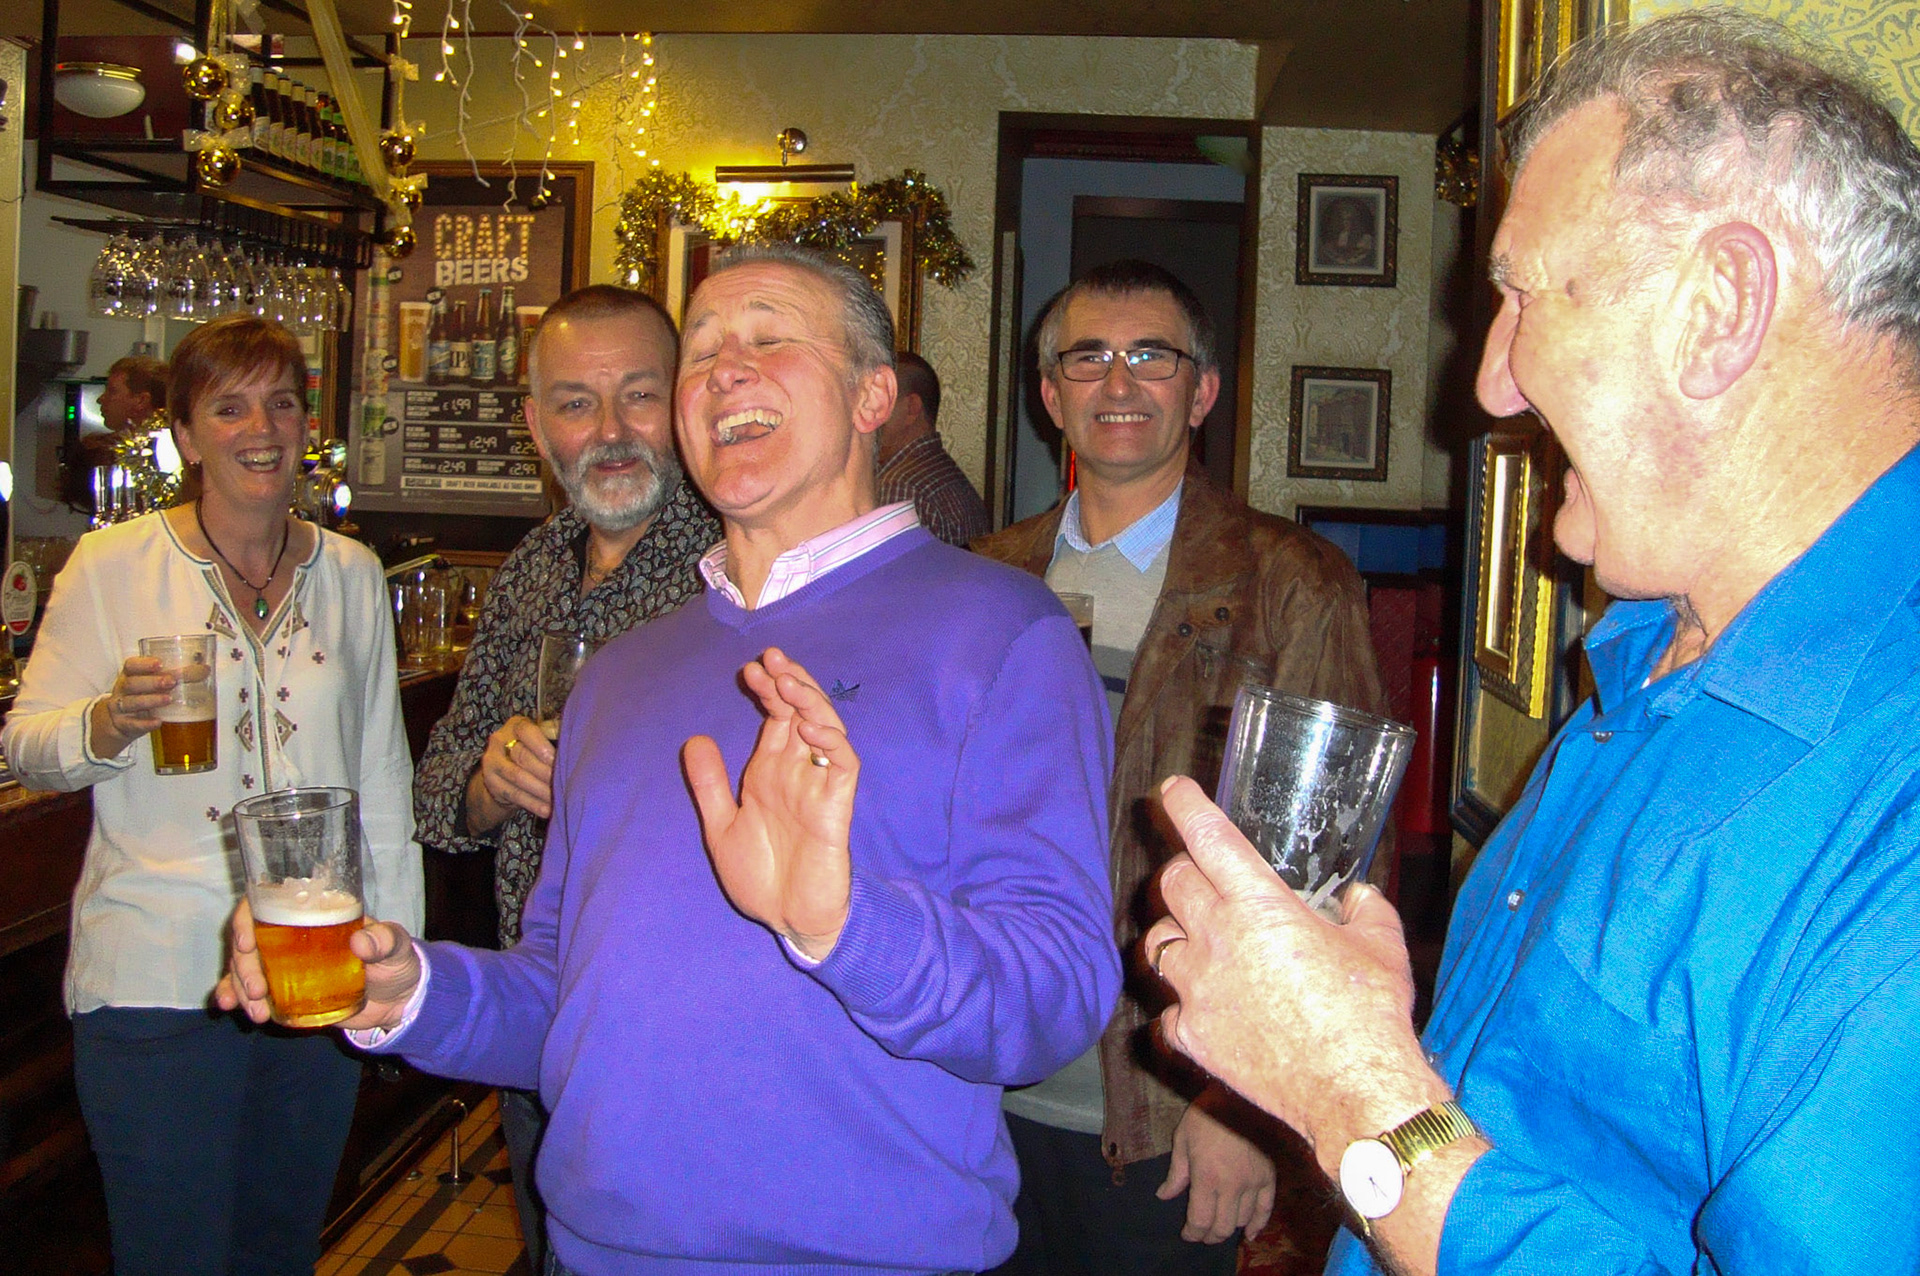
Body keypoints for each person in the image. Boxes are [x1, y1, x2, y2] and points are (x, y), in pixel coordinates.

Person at [1143, 13, 1920, 1276]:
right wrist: (1366, 1057)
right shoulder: (1643, 657)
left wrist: (1355, 1098)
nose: (1490, 383)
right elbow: (1488, 1143)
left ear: (1720, 306)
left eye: (1518, 294)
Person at [221, 243, 1121, 1275]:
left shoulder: (1000, 628)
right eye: (702, 352)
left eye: (770, 338)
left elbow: (1055, 998)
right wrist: (409, 991)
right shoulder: (620, 672)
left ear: (875, 393)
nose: (725, 368)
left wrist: (839, 921)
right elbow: (564, 996)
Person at [975, 259, 1389, 1274]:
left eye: (1151, 357)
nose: (1119, 383)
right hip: (974, 1091)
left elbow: (1325, 878)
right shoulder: (982, 579)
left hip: (1160, 1108)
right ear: (1050, 393)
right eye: (1089, 357)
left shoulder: (1292, 582)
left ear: (1199, 391)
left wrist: (1239, 1103)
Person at [2, 316, 423, 1276]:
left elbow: (383, 786)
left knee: (281, 1251)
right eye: (228, 407)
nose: (260, 427)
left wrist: (397, 966)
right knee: (172, 1257)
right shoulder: (111, 568)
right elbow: (29, 748)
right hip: (155, 978)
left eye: (280, 401)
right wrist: (107, 724)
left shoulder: (351, 574)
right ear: (186, 436)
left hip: (313, 971)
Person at [411, 284, 718, 1270]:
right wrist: (492, 781)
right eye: (577, 403)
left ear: (684, 404)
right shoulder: (533, 566)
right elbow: (440, 793)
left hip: (676, 1043)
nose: (611, 430)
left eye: (639, 395)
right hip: (536, 1028)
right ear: (538, 426)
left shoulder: (738, 569)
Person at [874, 350, 992, 546]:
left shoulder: (900, 488)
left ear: (911, 407)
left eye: (882, 401)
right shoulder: (951, 478)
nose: (871, 412)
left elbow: (891, 575)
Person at [76, 353, 168, 471]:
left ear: (141, 400)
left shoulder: (166, 458)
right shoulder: (95, 451)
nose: (100, 399)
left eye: (112, 391)